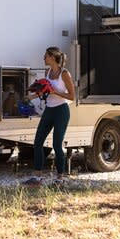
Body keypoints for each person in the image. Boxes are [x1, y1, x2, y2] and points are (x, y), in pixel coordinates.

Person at [23, 46, 75, 187]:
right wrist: (32, 96)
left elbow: (72, 96)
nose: (43, 58)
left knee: (57, 145)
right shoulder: (47, 72)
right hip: (49, 110)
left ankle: (60, 179)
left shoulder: (64, 74)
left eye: (45, 56)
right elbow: (45, 91)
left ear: (52, 57)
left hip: (61, 111)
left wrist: (55, 92)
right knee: (37, 142)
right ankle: (37, 178)